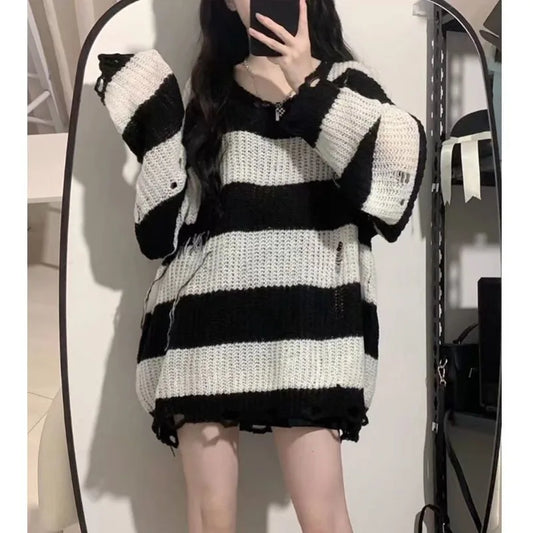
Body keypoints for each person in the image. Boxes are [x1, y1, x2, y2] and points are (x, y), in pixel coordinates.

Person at [94, 0, 426, 531]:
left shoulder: (343, 82)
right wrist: (156, 130)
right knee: (211, 517)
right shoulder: (209, 95)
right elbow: (161, 236)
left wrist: (305, 79)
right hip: (205, 331)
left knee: (325, 516)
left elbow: (397, 179)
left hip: (310, 333)